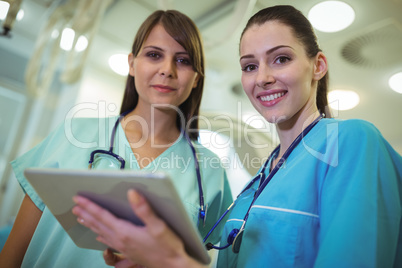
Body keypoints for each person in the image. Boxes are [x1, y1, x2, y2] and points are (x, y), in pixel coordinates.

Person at [71, 5, 402, 268]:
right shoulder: (255, 184)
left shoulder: (352, 142)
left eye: (281, 59)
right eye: (249, 66)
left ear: (317, 66)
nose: (263, 78)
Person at [0, 10, 232, 268]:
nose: (167, 70)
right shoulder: (73, 135)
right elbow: (12, 253)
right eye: (154, 55)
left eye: (183, 60)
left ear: (197, 78)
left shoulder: (210, 173)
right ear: (132, 64)